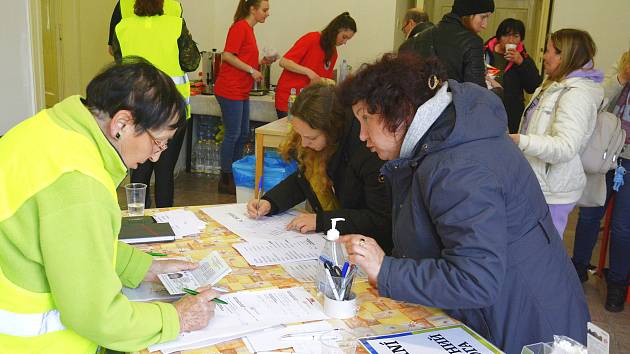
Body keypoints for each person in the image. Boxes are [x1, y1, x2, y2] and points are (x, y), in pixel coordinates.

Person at [337, 53, 589, 353]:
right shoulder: (444, 141)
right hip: (507, 309)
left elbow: (476, 278)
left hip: (526, 325)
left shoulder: (458, 167)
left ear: (401, 111)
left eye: (366, 119)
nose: (363, 136)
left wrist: (387, 270)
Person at [0, 59, 218, 352]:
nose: (156, 156)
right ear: (122, 124)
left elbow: (69, 246)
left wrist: (144, 267)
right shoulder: (80, 182)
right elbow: (97, 315)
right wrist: (177, 317)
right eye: (158, 142)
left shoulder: (48, 127)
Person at [247, 82, 392, 252]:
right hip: (341, 240)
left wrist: (321, 221)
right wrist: (270, 202)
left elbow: (378, 219)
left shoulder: (367, 151)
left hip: (373, 249)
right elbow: (305, 179)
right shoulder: (322, 145)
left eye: (311, 138)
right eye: (300, 135)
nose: (304, 143)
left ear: (331, 131)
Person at [509, 29, 604, 237]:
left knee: (541, 258)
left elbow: (565, 146)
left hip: (552, 192)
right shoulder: (553, 84)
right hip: (536, 184)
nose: (544, 56)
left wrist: (521, 141)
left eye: (550, 51)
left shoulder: (576, 95)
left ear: (566, 55)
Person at [111, 0, 200, 208]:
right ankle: (164, 221)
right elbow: (191, 62)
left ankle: (138, 222)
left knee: (139, 171)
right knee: (164, 172)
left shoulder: (122, 28)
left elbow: (119, 62)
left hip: (135, 111)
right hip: (172, 112)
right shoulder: (175, 25)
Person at [572, 49, 630, 313]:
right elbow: (598, 105)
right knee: (589, 213)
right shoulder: (615, 80)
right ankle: (579, 267)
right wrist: (620, 79)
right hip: (604, 156)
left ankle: (617, 281)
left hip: (628, 162)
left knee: (622, 226)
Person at [214, 0, 276, 195]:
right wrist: (251, 70)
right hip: (229, 88)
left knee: (242, 134)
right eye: (264, 10)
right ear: (252, 9)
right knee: (233, 134)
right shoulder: (240, 27)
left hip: (241, 89)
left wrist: (261, 62)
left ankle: (235, 172)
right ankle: (225, 178)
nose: (267, 14)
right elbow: (227, 56)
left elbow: (243, 57)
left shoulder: (249, 30)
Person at [274, 12, 357, 118]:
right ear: (336, 29)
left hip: (307, 104)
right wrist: (308, 72)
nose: (344, 42)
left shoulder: (333, 53)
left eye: (347, 39)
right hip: (289, 100)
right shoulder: (312, 38)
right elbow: (284, 62)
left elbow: (322, 82)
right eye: (344, 37)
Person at [399, 0, 494, 87]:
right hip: (453, 104)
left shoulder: (415, 40)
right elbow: (476, 93)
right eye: (483, 17)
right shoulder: (473, 43)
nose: (485, 25)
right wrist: (497, 91)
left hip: (420, 103)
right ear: (468, 13)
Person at [483, 18, 542, 133]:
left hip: (511, 113)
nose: (511, 40)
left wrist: (521, 63)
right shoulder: (484, 52)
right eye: (506, 35)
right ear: (499, 36)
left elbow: (533, 87)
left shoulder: (523, 57)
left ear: (521, 39)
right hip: (485, 107)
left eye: (516, 36)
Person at [107, 0, 183, 56]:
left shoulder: (123, 4)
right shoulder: (175, 6)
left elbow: (112, 50)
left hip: (133, 73)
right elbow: (184, 50)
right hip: (169, 74)